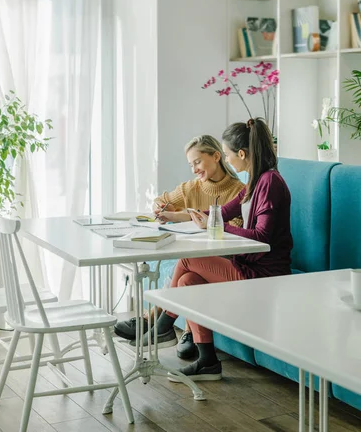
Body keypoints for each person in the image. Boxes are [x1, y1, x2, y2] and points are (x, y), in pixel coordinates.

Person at [144, 118, 293, 382]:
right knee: (189, 281)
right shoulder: (254, 183)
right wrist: (192, 218)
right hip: (249, 264)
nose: (227, 160)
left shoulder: (270, 183)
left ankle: (164, 324)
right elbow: (220, 213)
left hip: (265, 275)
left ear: (242, 154)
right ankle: (208, 362)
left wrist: (218, 225)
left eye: (226, 154)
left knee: (189, 260)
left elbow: (261, 237)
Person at [113, 134, 244, 358]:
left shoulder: (237, 190)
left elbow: (233, 228)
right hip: (197, 256)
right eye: (190, 164)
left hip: (222, 258)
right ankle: (189, 335)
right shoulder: (190, 188)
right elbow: (161, 200)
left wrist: (182, 217)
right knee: (185, 277)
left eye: (198, 162)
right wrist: (160, 207)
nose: (194, 169)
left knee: (186, 261)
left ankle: (156, 320)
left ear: (216, 156)